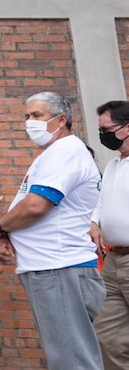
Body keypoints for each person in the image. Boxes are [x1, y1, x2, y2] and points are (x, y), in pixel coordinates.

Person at [0, 91, 104, 369]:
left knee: (72, 361)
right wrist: (8, 234)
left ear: (61, 119)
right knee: (66, 355)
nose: (30, 122)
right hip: (52, 269)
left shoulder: (65, 152)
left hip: (59, 268)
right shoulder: (55, 154)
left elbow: (35, 206)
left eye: (37, 115)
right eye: (27, 116)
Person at [90, 100, 129, 368]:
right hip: (113, 261)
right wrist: (94, 222)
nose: (103, 135)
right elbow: (101, 202)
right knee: (107, 335)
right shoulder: (114, 164)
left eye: (107, 128)